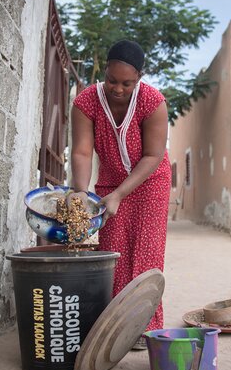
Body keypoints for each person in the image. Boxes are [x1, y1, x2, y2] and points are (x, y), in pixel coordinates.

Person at [68, 40, 171, 346]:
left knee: (145, 252)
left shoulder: (152, 102)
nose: (118, 88)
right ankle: (114, 326)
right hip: (109, 182)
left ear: (139, 76)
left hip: (150, 181)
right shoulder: (86, 102)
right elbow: (83, 152)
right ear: (105, 73)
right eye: (112, 80)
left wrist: (121, 194)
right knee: (113, 252)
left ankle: (144, 326)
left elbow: (153, 156)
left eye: (127, 83)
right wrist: (80, 193)